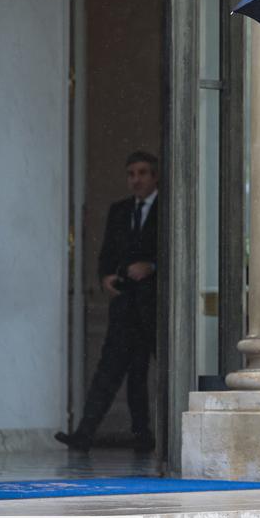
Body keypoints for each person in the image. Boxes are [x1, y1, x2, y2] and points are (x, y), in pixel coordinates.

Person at [55, 151, 159, 453]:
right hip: (125, 305)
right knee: (109, 372)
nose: (135, 180)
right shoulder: (120, 210)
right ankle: (85, 434)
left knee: (142, 374)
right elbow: (107, 254)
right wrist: (105, 278)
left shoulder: (167, 209)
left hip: (154, 307)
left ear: (154, 176)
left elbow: (175, 252)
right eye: (131, 174)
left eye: (141, 173)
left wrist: (151, 267)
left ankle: (146, 436)